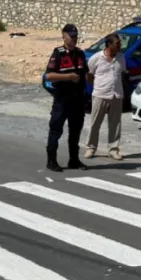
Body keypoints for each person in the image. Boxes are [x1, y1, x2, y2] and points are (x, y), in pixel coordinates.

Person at [43, 23, 89, 172]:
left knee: (75, 131)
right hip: (62, 100)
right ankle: (51, 161)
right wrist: (68, 77)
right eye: (71, 36)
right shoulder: (59, 53)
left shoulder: (80, 54)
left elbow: (86, 74)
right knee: (56, 130)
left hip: (78, 100)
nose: (74, 39)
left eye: (76, 36)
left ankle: (74, 160)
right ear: (64, 36)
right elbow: (49, 76)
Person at [85, 33, 127, 161]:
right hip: (100, 94)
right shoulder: (96, 58)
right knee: (95, 123)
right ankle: (91, 148)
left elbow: (122, 73)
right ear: (108, 45)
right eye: (117, 44)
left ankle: (113, 149)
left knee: (115, 124)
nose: (120, 46)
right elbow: (89, 75)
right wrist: (98, 85)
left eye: (120, 43)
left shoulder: (121, 57)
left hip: (116, 95)